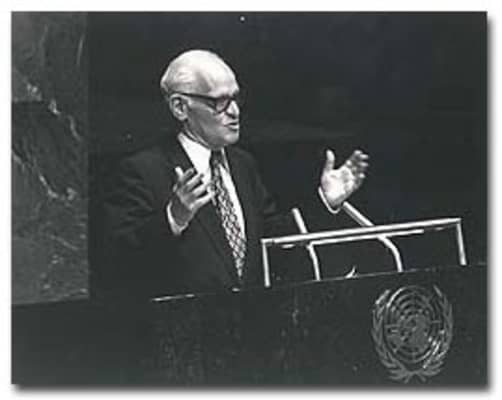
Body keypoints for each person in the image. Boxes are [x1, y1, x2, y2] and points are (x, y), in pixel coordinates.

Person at [101, 49, 369, 301]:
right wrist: (173, 218)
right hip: (185, 328)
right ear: (180, 107)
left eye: (236, 99)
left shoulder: (243, 165)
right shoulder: (143, 171)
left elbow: (270, 241)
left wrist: (324, 202)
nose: (234, 112)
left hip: (251, 323)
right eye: (219, 102)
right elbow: (120, 261)